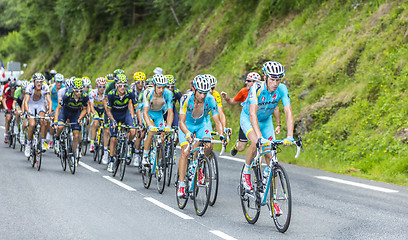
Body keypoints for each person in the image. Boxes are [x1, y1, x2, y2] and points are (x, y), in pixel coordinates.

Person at [240, 61, 294, 214]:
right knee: (255, 142)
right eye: (272, 79)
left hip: (266, 121)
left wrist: (290, 135)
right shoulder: (256, 88)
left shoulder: (282, 89)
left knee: (271, 158)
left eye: (278, 80)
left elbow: (288, 112)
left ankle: (273, 200)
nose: (276, 83)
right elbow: (252, 114)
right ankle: (247, 170)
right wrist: (259, 137)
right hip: (249, 118)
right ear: (265, 77)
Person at [177, 75, 226, 197]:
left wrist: (221, 135)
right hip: (187, 125)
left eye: (205, 93)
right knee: (185, 152)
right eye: (200, 93)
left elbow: (217, 120)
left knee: (208, 145)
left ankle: (199, 167)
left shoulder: (210, 99)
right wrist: (187, 133)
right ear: (194, 90)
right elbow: (181, 122)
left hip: (201, 125)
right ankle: (181, 185)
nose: (203, 96)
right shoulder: (186, 99)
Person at [222, 72, 281, 156]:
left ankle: (257, 167)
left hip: (259, 121)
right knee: (241, 148)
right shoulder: (243, 91)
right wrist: (226, 98)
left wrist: (278, 124)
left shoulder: (263, 91)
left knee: (259, 145)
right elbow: (233, 101)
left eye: (249, 81)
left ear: (256, 82)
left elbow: (275, 107)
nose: (246, 83)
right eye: (246, 80)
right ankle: (236, 146)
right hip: (247, 120)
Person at [105, 74, 136, 172]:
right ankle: (111, 160)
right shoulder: (111, 94)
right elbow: (108, 110)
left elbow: (136, 106)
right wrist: (113, 120)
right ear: (116, 86)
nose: (122, 88)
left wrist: (136, 119)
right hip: (114, 115)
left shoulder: (130, 92)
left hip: (125, 113)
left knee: (133, 131)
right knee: (113, 139)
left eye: (124, 85)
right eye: (120, 85)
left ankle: (129, 144)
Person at [141, 74, 174, 166]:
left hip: (159, 114)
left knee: (162, 137)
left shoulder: (168, 94)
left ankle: (159, 161)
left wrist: (168, 125)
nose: (161, 90)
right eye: (159, 87)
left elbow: (170, 112)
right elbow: (145, 112)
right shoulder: (147, 92)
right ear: (154, 86)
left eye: (163, 88)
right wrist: (150, 125)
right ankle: (145, 156)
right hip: (149, 114)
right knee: (151, 132)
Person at [54, 78, 89, 159]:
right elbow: (58, 108)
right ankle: (57, 138)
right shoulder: (67, 95)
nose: (79, 93)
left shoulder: (84, 96)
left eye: (81, 90)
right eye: (77, 91)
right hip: (65, 112)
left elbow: (84, 109)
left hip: (75, 113)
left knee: (76, 135)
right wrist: (56, 121)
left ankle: (73, 152)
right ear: (73, 90)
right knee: (60, 126)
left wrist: (80, 118)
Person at [24, 73, 53, 157]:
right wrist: (28, 112)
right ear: (34, 82)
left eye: (41, 81)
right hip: (31, 104)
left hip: (40, 104)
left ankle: (43, 141)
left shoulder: (45, 87)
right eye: (37, 81)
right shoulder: (29, 87)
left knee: (42, 120)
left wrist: (50, 112)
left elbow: (49, 101)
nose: (39, 83)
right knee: (32, 125)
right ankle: (28, 144)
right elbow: (26, 102)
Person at [88, 77, 107, 152]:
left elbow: (108, 106)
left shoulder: (107, 93)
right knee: (95, 123)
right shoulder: (92, 93)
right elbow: (91, 105)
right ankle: (92, 144)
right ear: (97, 86)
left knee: (106, 125)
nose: (102, 88)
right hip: (95, 109)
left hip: (104, 110)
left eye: (103, 87)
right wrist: (94, 115)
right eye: (100, 86)